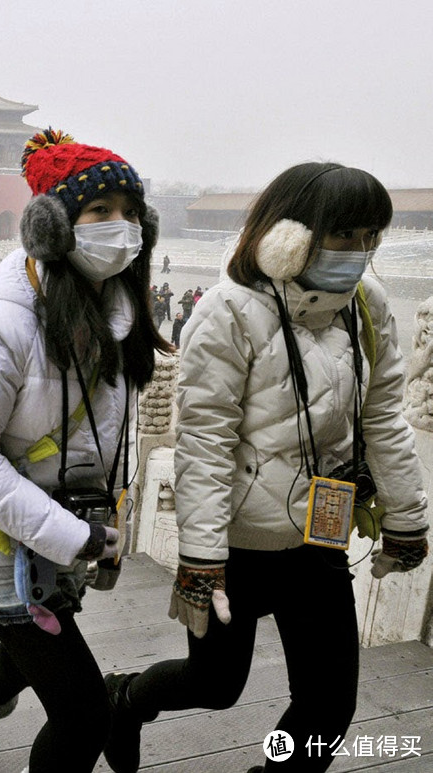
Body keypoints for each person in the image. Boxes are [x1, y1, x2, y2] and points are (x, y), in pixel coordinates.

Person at [104, 162, 429, 773]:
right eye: (345, 236)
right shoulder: (227, 313)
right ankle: (123, 699)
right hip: (236, 548)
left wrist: (409, 518)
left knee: (330, 707)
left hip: (318, 536)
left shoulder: (367, 307)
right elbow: (205, 444)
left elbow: (384, 418)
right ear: (289, 237)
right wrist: (201, 560)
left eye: (372, 238)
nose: (360, 253)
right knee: (215, 686)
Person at [0, 130, 170, 772]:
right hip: (2, 541)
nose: (118, 227)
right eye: (100, 212)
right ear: (54, 227)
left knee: (31, 647)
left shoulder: (119, 315)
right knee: (84, 713)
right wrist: (70, 534)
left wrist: (99, 525)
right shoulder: (4, 325)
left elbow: (102, 438)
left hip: (70, 533)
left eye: (129, 212)